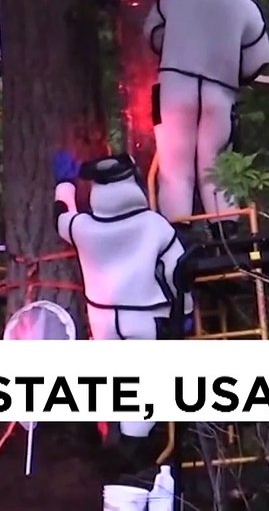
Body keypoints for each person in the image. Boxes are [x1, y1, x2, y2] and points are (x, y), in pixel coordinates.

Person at [51, 151, 188, 503]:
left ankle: (111, 446)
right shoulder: (155, 226)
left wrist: (64, 184)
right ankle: (133, 454)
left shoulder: (83, 228)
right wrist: (185, 312)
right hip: (147, 317)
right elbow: (178, 273)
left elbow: (61, 217)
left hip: (103, 321)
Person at [143, 0, 269, 242]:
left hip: (173, 90)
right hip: (219, 95)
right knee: (217, 167)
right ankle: (225, 240)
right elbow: (258, 61)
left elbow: (153, 34)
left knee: (174, 168)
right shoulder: (247, 7)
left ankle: (178, 241)